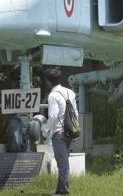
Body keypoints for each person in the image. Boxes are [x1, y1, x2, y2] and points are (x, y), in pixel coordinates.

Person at [45, 67, 78, 196]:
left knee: (63, 164)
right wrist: (75, 131)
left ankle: (63, 192)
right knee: (63, 162)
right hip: (70, 131)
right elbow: (75, 112)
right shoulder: (70, 92)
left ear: (48, 81)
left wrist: (46, 131)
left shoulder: (53, 95)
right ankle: (59, 190)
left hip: (58, 133)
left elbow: (53, 115)